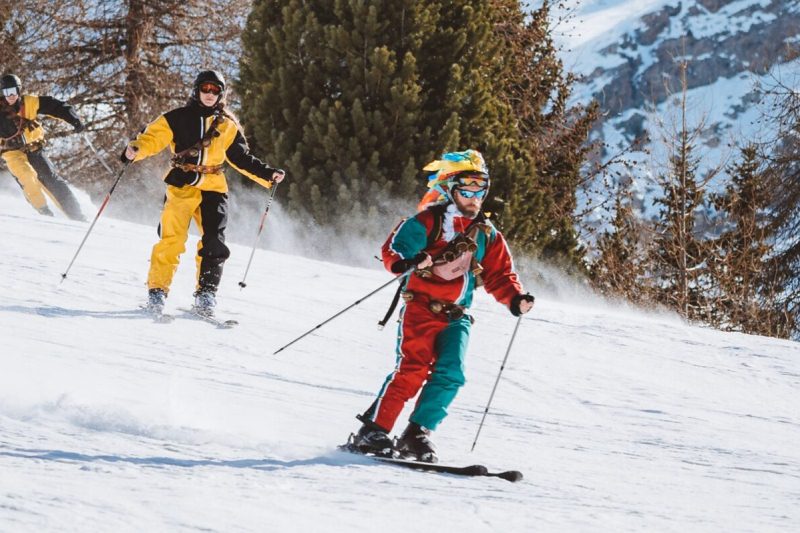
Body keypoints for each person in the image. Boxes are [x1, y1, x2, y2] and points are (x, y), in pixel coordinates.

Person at [349, 149, 535, 463]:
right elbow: (395, 248)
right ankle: (375, 430)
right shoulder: (429, 220)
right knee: (412, 369)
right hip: (421, 307)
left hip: (456, 316)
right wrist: (406, 262)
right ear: (451, 188)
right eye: (467, 188)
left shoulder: (487, 234)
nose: (475, 195)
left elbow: (500, 274)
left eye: (481, 188)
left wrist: (515, 299)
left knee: (451, 373)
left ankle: (417, 433)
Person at [122, 70, 285, 316]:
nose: (209, 94)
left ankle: (205, 295)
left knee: (214, 242)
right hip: (181, 186)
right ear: (197, 90)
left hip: (214, 189)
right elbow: (151, 139)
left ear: (221, 94)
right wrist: (134, 151)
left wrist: (267, 174)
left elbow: (241, 158)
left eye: (215, 90)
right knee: (172, 240)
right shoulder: (176, 118)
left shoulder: (228, 126)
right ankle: (157, 292)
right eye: (205, 89)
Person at [0, 73, 86, 220]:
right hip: (12, 152)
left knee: (51, 179)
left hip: (34, 148)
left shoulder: (29, 102)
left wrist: (74, 119)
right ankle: (43, 211)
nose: (11, 96)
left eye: (13, 91)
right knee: (27, 176)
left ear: (19, 90)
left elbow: (56, 106)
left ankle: (76, 215)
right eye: (6, 92)